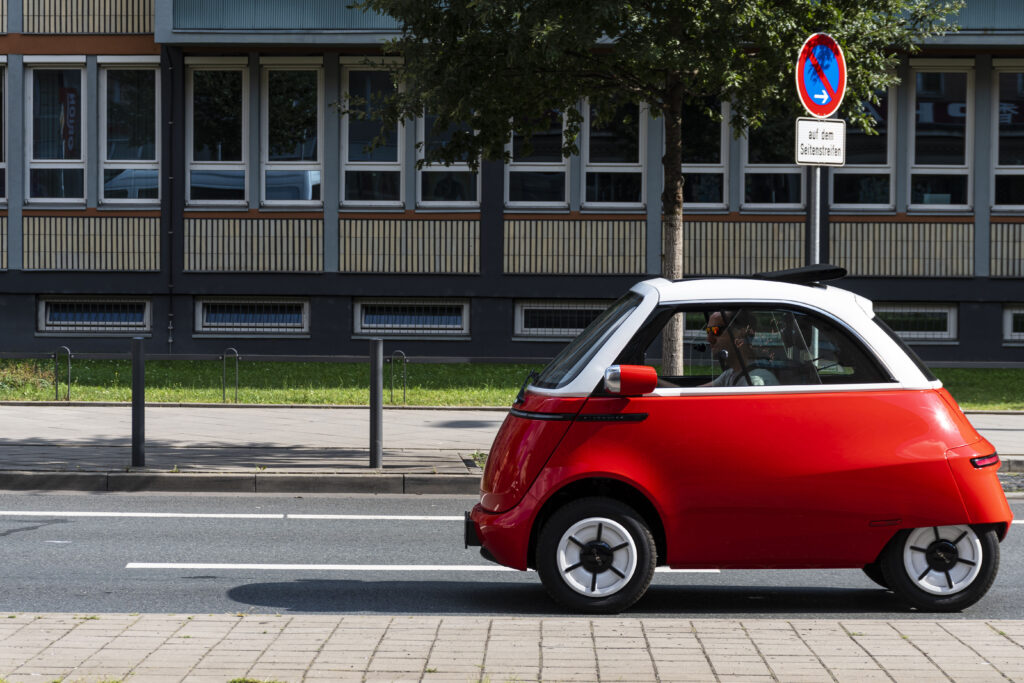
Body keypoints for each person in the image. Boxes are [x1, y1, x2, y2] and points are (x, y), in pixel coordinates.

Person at [704, 309, 779, 387]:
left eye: (716, 330)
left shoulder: (757, 381)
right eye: (708, 331)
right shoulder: (730, 373)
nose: (709, 339)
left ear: (741, 335)